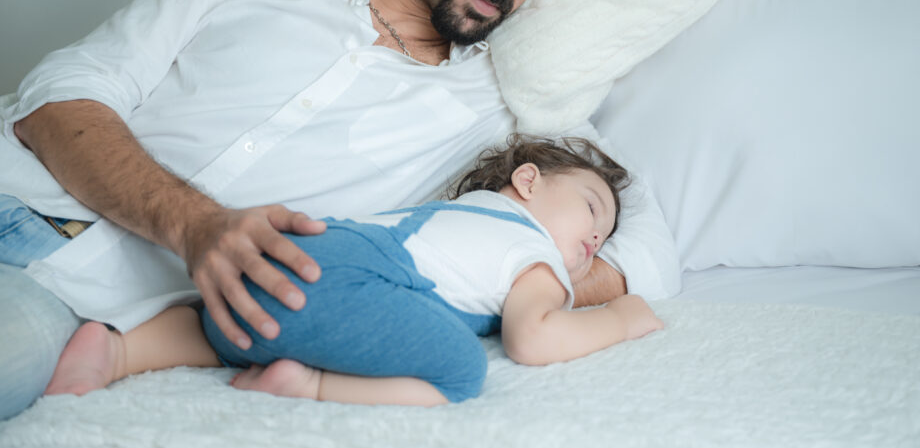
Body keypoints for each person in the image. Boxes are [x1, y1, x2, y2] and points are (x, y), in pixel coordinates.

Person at [0, 0, 680, 420]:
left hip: (73, 298)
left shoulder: (501, 110)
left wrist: (530, 277)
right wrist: (193, 224)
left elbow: (650, 246)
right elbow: (57, 96)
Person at [43, 135, 664, 406]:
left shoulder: (462, 210)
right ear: (527, 182)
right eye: (592, 209)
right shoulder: (534, 255)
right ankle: (308, 385)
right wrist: (619, 316)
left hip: (306, 244)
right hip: (361, 277)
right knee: (461, 373)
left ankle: (116, 351)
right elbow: (534, 338)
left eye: (604, 239)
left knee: (238, 315)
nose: (594, 239)